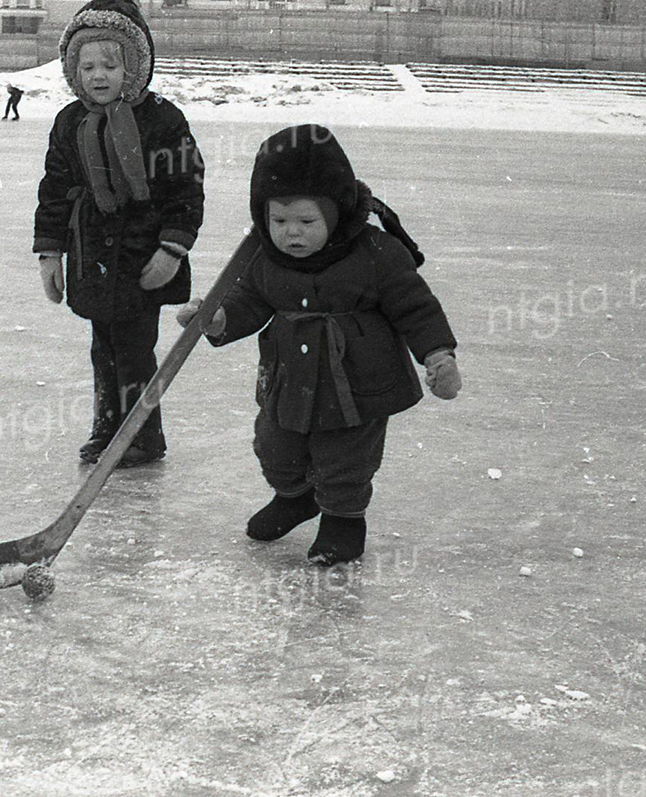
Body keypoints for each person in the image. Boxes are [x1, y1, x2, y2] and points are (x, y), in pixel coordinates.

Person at [177, 124, 461, 566]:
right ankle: (295, 497)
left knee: (345, 456)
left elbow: (416, 307)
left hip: (357, 381)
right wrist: (218, 318)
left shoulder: (376, 253)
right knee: (274, 444)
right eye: (279, 221)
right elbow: (249, 300)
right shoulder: (262, 256)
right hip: (289, 376)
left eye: (307, 222)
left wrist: (438, 354)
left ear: (335, 213)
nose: (292, 234)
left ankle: (344, 520)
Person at [34, 0, 203, 468]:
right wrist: (50, 254)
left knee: (133, 350)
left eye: (110, 64)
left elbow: (185, 189)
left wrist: (172, 248)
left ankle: (143, 436)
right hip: (90, 252)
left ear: (134, 65)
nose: (98, 75)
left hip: (141, 254)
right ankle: (108, 425)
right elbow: (55, 190)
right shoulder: (70, 122)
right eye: (86, 65)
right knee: (102, 348)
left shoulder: (162, 120)